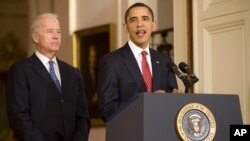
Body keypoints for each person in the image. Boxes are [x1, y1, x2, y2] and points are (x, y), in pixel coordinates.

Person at [6, 13, 90, 141]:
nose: (56, 36)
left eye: (59, 32)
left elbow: (83, 117)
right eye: (50, 31)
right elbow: (19, 116)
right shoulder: (20, 71)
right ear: (35, 37)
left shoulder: (73, 73)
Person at [97, 2, 179, 122]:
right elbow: (106, 109)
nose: (140, 24)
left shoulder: (164, 61)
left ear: (153, 25)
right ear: (126, 27)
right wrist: (145, 102)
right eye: (133, 20)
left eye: (145, 19)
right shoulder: (111, 61)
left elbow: (172, 101)